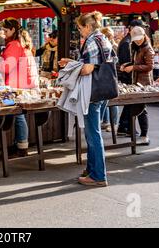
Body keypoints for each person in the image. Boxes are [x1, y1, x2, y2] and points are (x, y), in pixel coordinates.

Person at [59, 11, 112, 187]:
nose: (80, 31)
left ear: (88, 26)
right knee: (93, 132)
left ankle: (98, 175)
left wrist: (71, 68)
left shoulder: (91, 41)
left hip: (92, 92)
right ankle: (92, 169)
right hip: (103, 90)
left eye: (81, 28)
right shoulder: (103, 38)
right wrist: (72, 62)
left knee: (92, 134)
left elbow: (88, 69)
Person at [0, 18, 38, 157]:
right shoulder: (19, 44)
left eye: (5, 30)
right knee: (18, 115)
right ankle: (19, 144)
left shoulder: (13, 45)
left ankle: (21, 146)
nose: (3, 33)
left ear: (13, 30)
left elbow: (7, 67)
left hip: (15, 86)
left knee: (18, 115)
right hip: (20, 84)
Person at [120, 26, 155, 145]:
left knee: (141, 108)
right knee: (136, 107)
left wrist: (133, 67)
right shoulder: (135, 47)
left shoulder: (147, 49)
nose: (138, 41)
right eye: (136, 39)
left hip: (144, 83)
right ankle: (136, 132)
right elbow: (136, 62)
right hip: (136, 81)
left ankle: (144, 134)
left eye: (139, 39)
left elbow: (150, 66)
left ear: (144, 36)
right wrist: (126, 65)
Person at [117, 19, 146, 136]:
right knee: (131, 103)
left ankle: (124, 126)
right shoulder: (126, 43)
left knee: (130, 104)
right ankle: (126, 126)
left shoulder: (128, 41)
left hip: (129, 75)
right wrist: (132, 68)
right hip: (128, 76)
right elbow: (126, 61)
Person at [100, 27, 119, 132]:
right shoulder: (108, 46)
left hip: (111, 76)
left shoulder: (113, 47)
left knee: (112, 101)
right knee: (106, 100)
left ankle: (114, 123)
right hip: (108, 76)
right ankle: (106, 121)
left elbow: (115, 62)